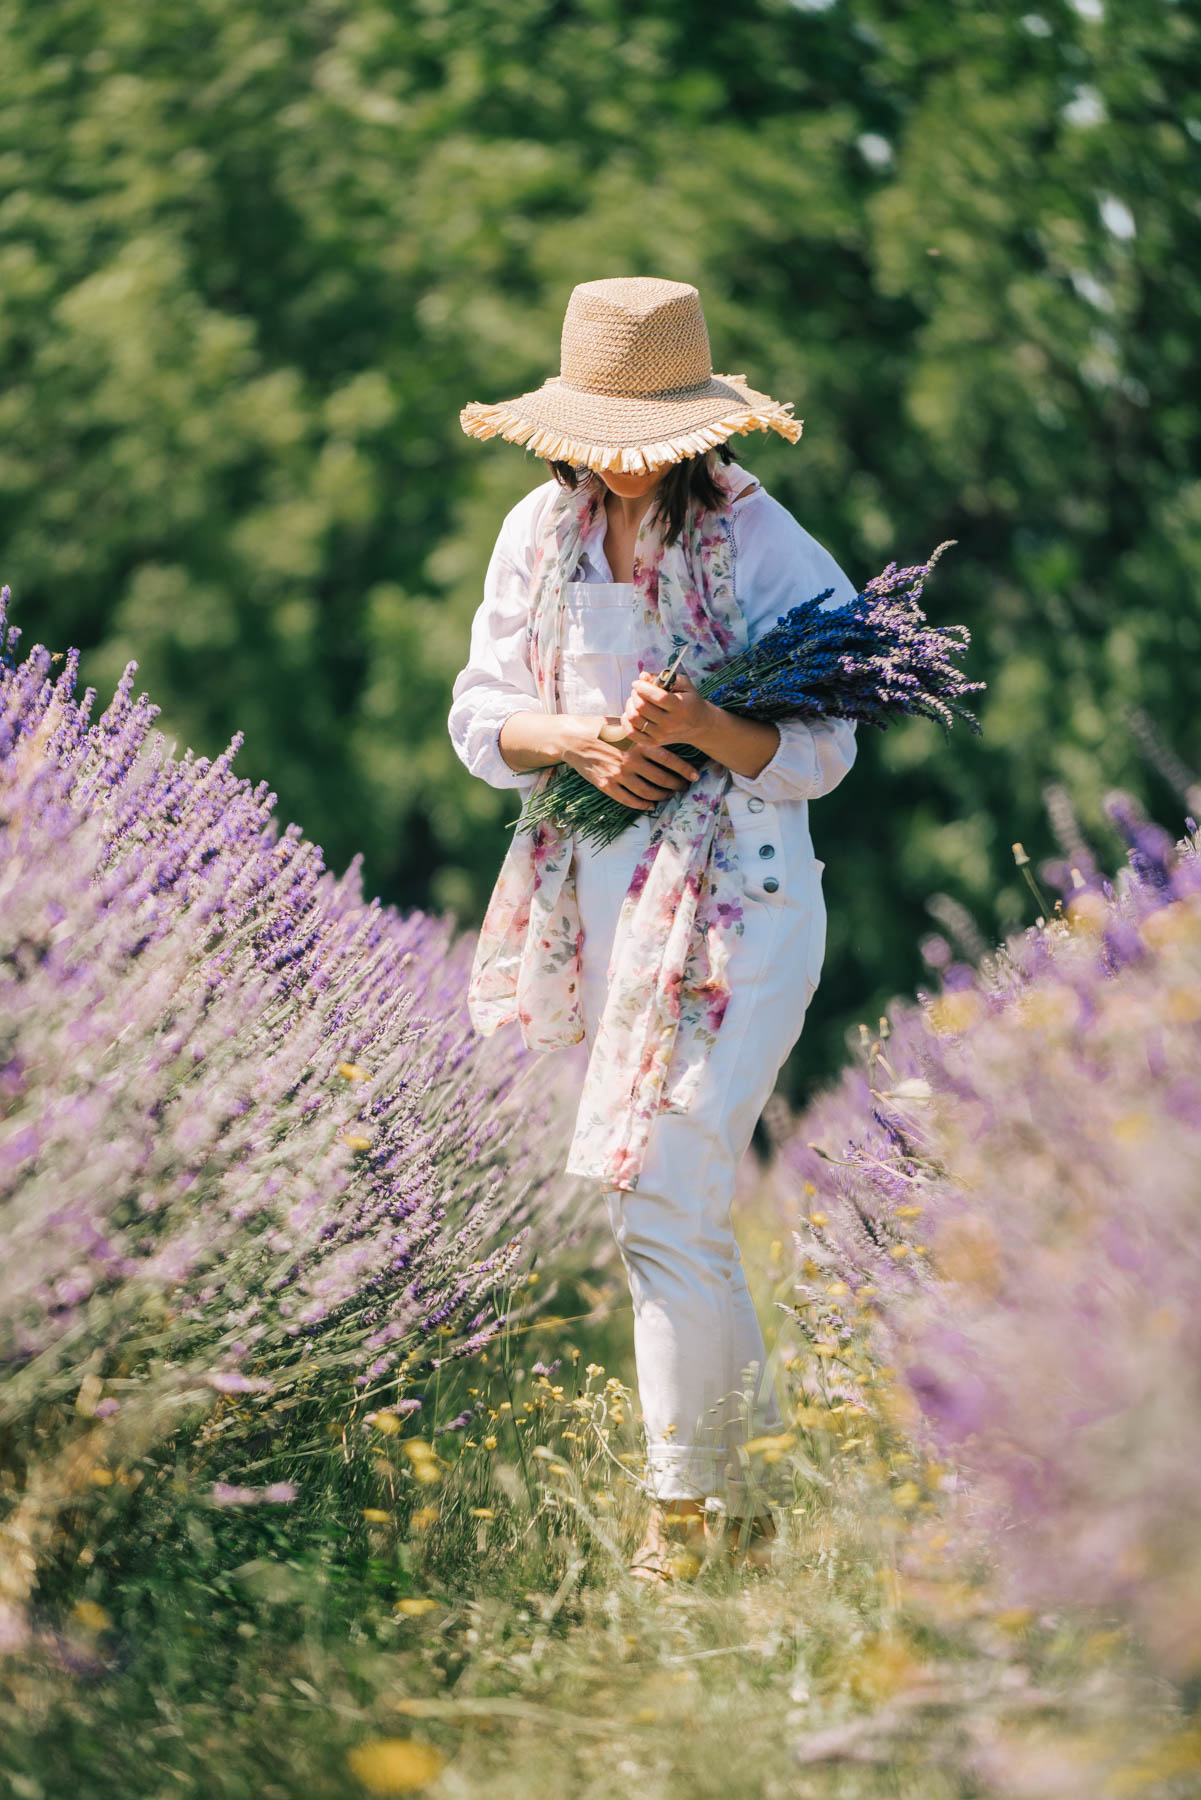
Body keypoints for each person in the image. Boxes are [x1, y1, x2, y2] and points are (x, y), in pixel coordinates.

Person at [449, 276, 858, 1580]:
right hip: (608, 916)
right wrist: (573, 735)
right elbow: (478, 716)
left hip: (741, 909)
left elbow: (822, 749)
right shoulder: (539, 534)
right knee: (672, 1209)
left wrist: (697, 731)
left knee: (660, 1197)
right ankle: (753, 1510)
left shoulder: (770, 546)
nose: (616, 469)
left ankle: (683, 1523)